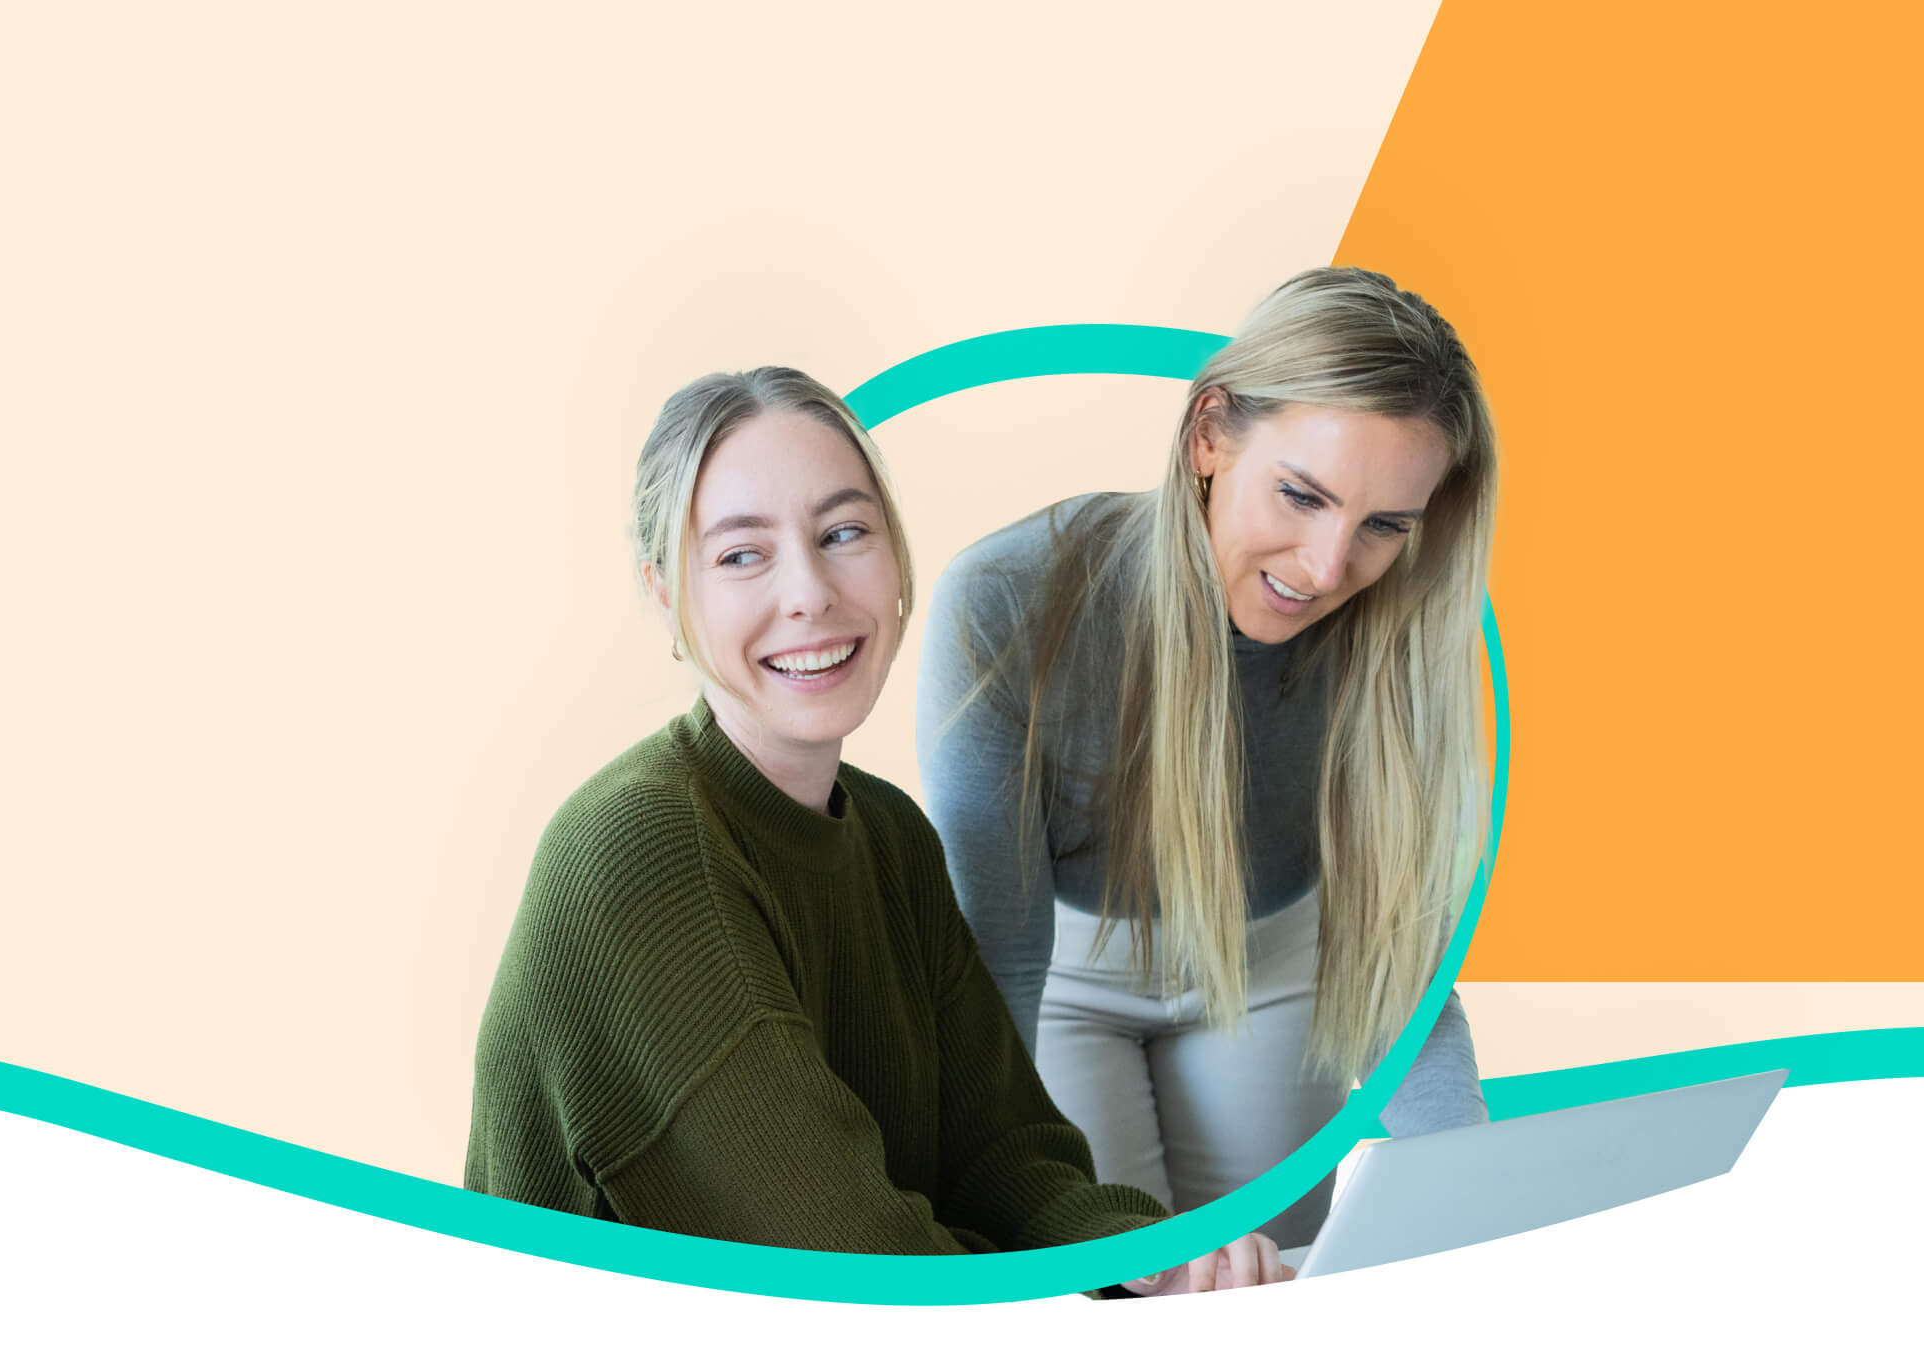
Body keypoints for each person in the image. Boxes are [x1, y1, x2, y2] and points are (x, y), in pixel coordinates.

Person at [467, 367, 1287, 1294]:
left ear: (896, 558)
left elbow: (1004, 1162)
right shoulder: (634, 852)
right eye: (742, 555)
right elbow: (861, 1272)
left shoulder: (892, 835)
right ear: (665, 596)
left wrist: (1153, 1261)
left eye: (844, 533)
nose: (810, 592)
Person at [917, 267, 1500, 1249]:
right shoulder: (1005, 599)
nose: (1325, 569)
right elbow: (997, 963)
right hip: (1062, 972)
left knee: (1274, 1273)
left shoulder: (1401, 639)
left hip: (1274, 959)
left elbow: (1401, 975)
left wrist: (1488, 1209)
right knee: (1119, 1273)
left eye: (1382, 527)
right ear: (1209, 435)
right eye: (1302, 494)